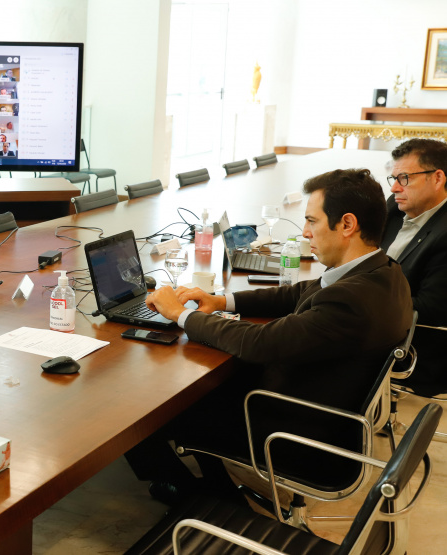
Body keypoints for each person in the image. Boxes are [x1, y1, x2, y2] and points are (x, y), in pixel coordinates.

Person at [130, 168, 413, 502]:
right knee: (189, 385)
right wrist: (221, 300)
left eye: (312, 221)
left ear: (347, 225)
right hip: (313, 404)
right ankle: (212, 484)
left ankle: (193, 496)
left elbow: (259, 343)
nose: (305, 232)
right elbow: (298, 294)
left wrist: (181, 315)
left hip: (290, 432)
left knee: (143, 410)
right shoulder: (383, 271)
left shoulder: (350, 301)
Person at [380, 138, 447, 395]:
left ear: (438, 178)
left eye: (405, 178)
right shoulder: (396, 208)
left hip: (414, 347)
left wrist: (365, 298)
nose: (395, 188)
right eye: (393, 178)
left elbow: (430, 310)